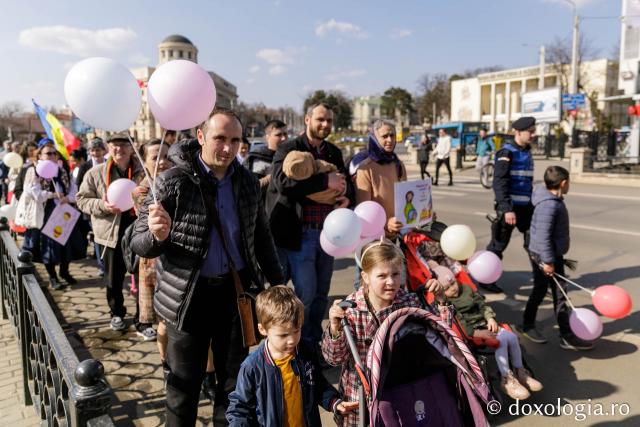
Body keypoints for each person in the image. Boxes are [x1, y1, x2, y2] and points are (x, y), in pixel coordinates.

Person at [130, 108, 285, 426]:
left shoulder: (246, 182)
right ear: (200, 137)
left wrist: (278, 283)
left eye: (235, 140)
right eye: (219, 139)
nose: (228, 148)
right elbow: (137, 241)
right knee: (182, 389)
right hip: (188, 298)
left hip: (236, 295)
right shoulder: (171, 182)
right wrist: (157, 236)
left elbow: (262, 237)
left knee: (233, 388)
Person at [321, 240, 441, 426]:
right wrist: (335, 327)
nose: (391, 282)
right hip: (360, 396)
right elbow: (334, 359)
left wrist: (440, 302)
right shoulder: (350, 310)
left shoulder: (409, 302)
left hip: (400, 388)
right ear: (366, 277)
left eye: (395, 274)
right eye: (382, 276)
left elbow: (440, 339)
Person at [266, 102, 351, 347]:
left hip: (329, 236)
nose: (325, 125)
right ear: (307, 120)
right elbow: (281, 182)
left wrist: (347, 196)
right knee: (306, 294)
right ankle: (296, 344)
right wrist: (325, 180)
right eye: (320, 120)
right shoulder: (289, 147)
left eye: (329, 121)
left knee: (322, 293)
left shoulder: (333, 152)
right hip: (300, 234)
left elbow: (347, 183)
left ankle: (313, 343)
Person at [226, 286, 357, 426]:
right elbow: (239, 408)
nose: (292, 340)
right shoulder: (252, 366)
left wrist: (334, 402)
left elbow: (317, 385)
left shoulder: (305, 351)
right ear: (262, 329)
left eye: (296, 330)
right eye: (283, 335)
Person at [433, 265, 542, 400]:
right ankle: (506, 379)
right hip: (472, 332)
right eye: (447, 288)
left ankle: (520, 371)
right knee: (501, 342)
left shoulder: (466, 289)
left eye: (453, 283)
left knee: (512, 337)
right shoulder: (449, 303)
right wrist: (477, 333)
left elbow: (481, 305)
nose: (453, 288)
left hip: (485, 323)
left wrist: (490, 318)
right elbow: (460, 323)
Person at [515, 166, 593, 350]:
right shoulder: (549, 205)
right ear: (563, 183)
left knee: (542, 290)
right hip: (545, 256)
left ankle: (527, 324)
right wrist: (549, 262)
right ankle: (565, 335)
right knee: (558, 294)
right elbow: (542, 236)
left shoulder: (550, 199)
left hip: (546, 254)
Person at [76, 133, 146, 334]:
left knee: (143, 279)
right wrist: (103, 205)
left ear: (132, 148)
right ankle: (116, 313)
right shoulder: (95, 173)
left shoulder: (142, 170)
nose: (120, 150)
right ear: (108, 148)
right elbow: (81, 200)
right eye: (115, 146)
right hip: (110, 235)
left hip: (139, 232)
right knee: (113, 279)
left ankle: (143, 318)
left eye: (124, 145)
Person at [480, 116, 536, 294]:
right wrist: (506, 209)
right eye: (531, 131)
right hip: (510, 209)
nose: (533, 135)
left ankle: (540, 280)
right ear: (518, 132)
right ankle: (486, 278)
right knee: (498, 245)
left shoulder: (527, 150)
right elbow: (499, 183)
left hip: (526, 208)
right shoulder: (506, 152)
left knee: (534, 244)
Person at [17, 141, 77, 289]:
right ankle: (52, 277)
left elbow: (74, 189)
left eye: (54, 153)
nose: (51, 156)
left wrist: (67, 198)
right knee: (49, 247)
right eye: (48, 153)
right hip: (46, 213)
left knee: (66, 245)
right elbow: (32, 192)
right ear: (40, 156)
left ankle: (65, 272)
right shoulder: (34, 171)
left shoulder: (63, 170)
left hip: (64, 211)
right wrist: (52, 195)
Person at [350, 119, 407, 239]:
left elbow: (406, 199)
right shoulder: (365, 168)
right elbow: (364, 212)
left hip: (397, 236)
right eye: (384, 136)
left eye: (392, 135)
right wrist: (386, 224)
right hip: (374, 239)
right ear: (374, 138)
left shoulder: (398, 165)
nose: (390, 140)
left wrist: (423, 215)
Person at [244, 119, 288, 193]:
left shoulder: (290, 156)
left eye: (285, 134)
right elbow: (251, 189)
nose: (283, 138)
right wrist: (273, 177)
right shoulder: (256, 159)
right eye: (278, 135)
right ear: (267, 137)